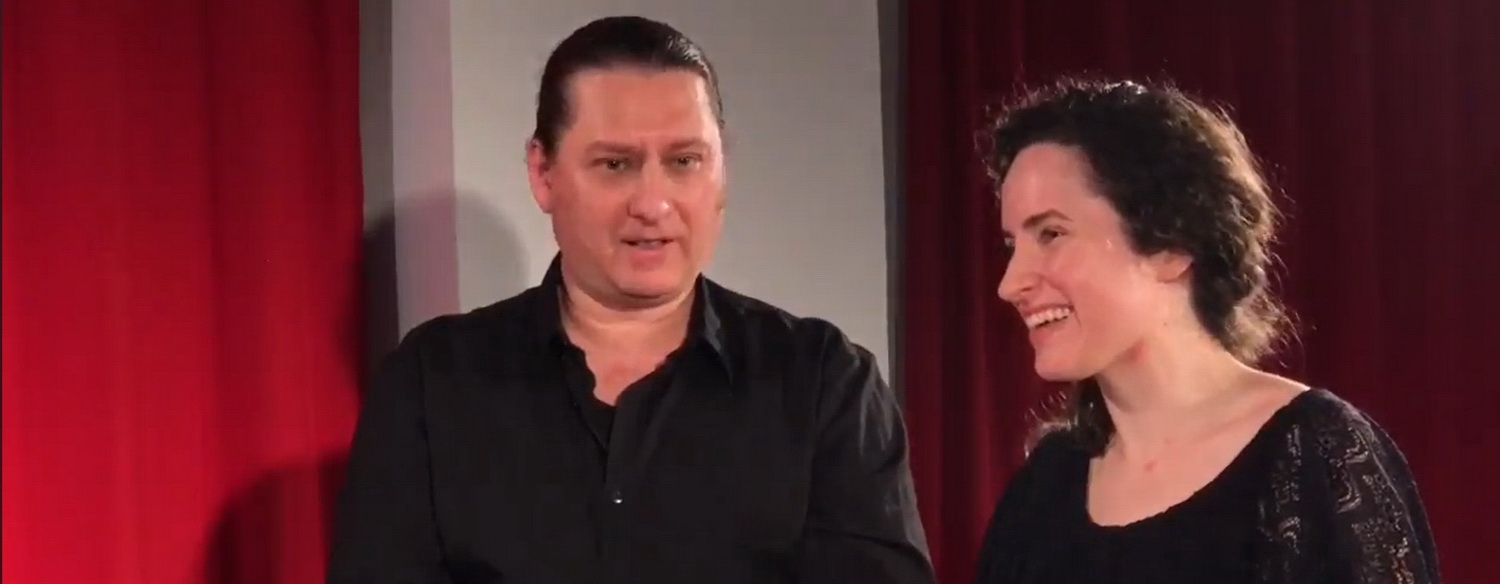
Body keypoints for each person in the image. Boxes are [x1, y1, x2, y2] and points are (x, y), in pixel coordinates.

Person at [326, 15, 933, 584]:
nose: (653, 203)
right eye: (616, 164)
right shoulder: (432, 382)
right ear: (543, 173)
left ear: (722, 169)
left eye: (684, 161)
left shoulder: (825, 382)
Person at [970, 77, 1441, 583]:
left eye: (1051, 234)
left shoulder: (1311, 454)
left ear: (1172, 245)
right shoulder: (1044, 487)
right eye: (1012, 246)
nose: (1010, 284)